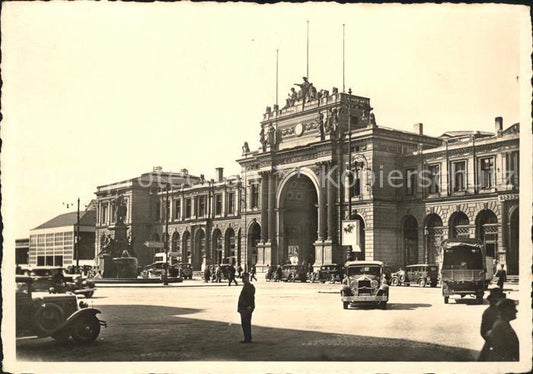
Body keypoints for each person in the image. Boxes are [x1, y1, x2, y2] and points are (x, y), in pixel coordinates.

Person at [479, 288, 507, 357]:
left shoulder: (499, 311)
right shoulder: (490, 312)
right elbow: (484, 332)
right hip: (495, 346)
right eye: (495, 300)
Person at [237, 272, 255, 343]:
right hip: (244, 308)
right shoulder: (246, 286)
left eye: (244, 278)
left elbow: (250, 298)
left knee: (246, 323)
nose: (242, 280)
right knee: (245, 323)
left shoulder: (249, 287)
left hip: (246, 308)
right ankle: (247, 337)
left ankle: (247, 338)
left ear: (247, 278)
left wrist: (249, 306)